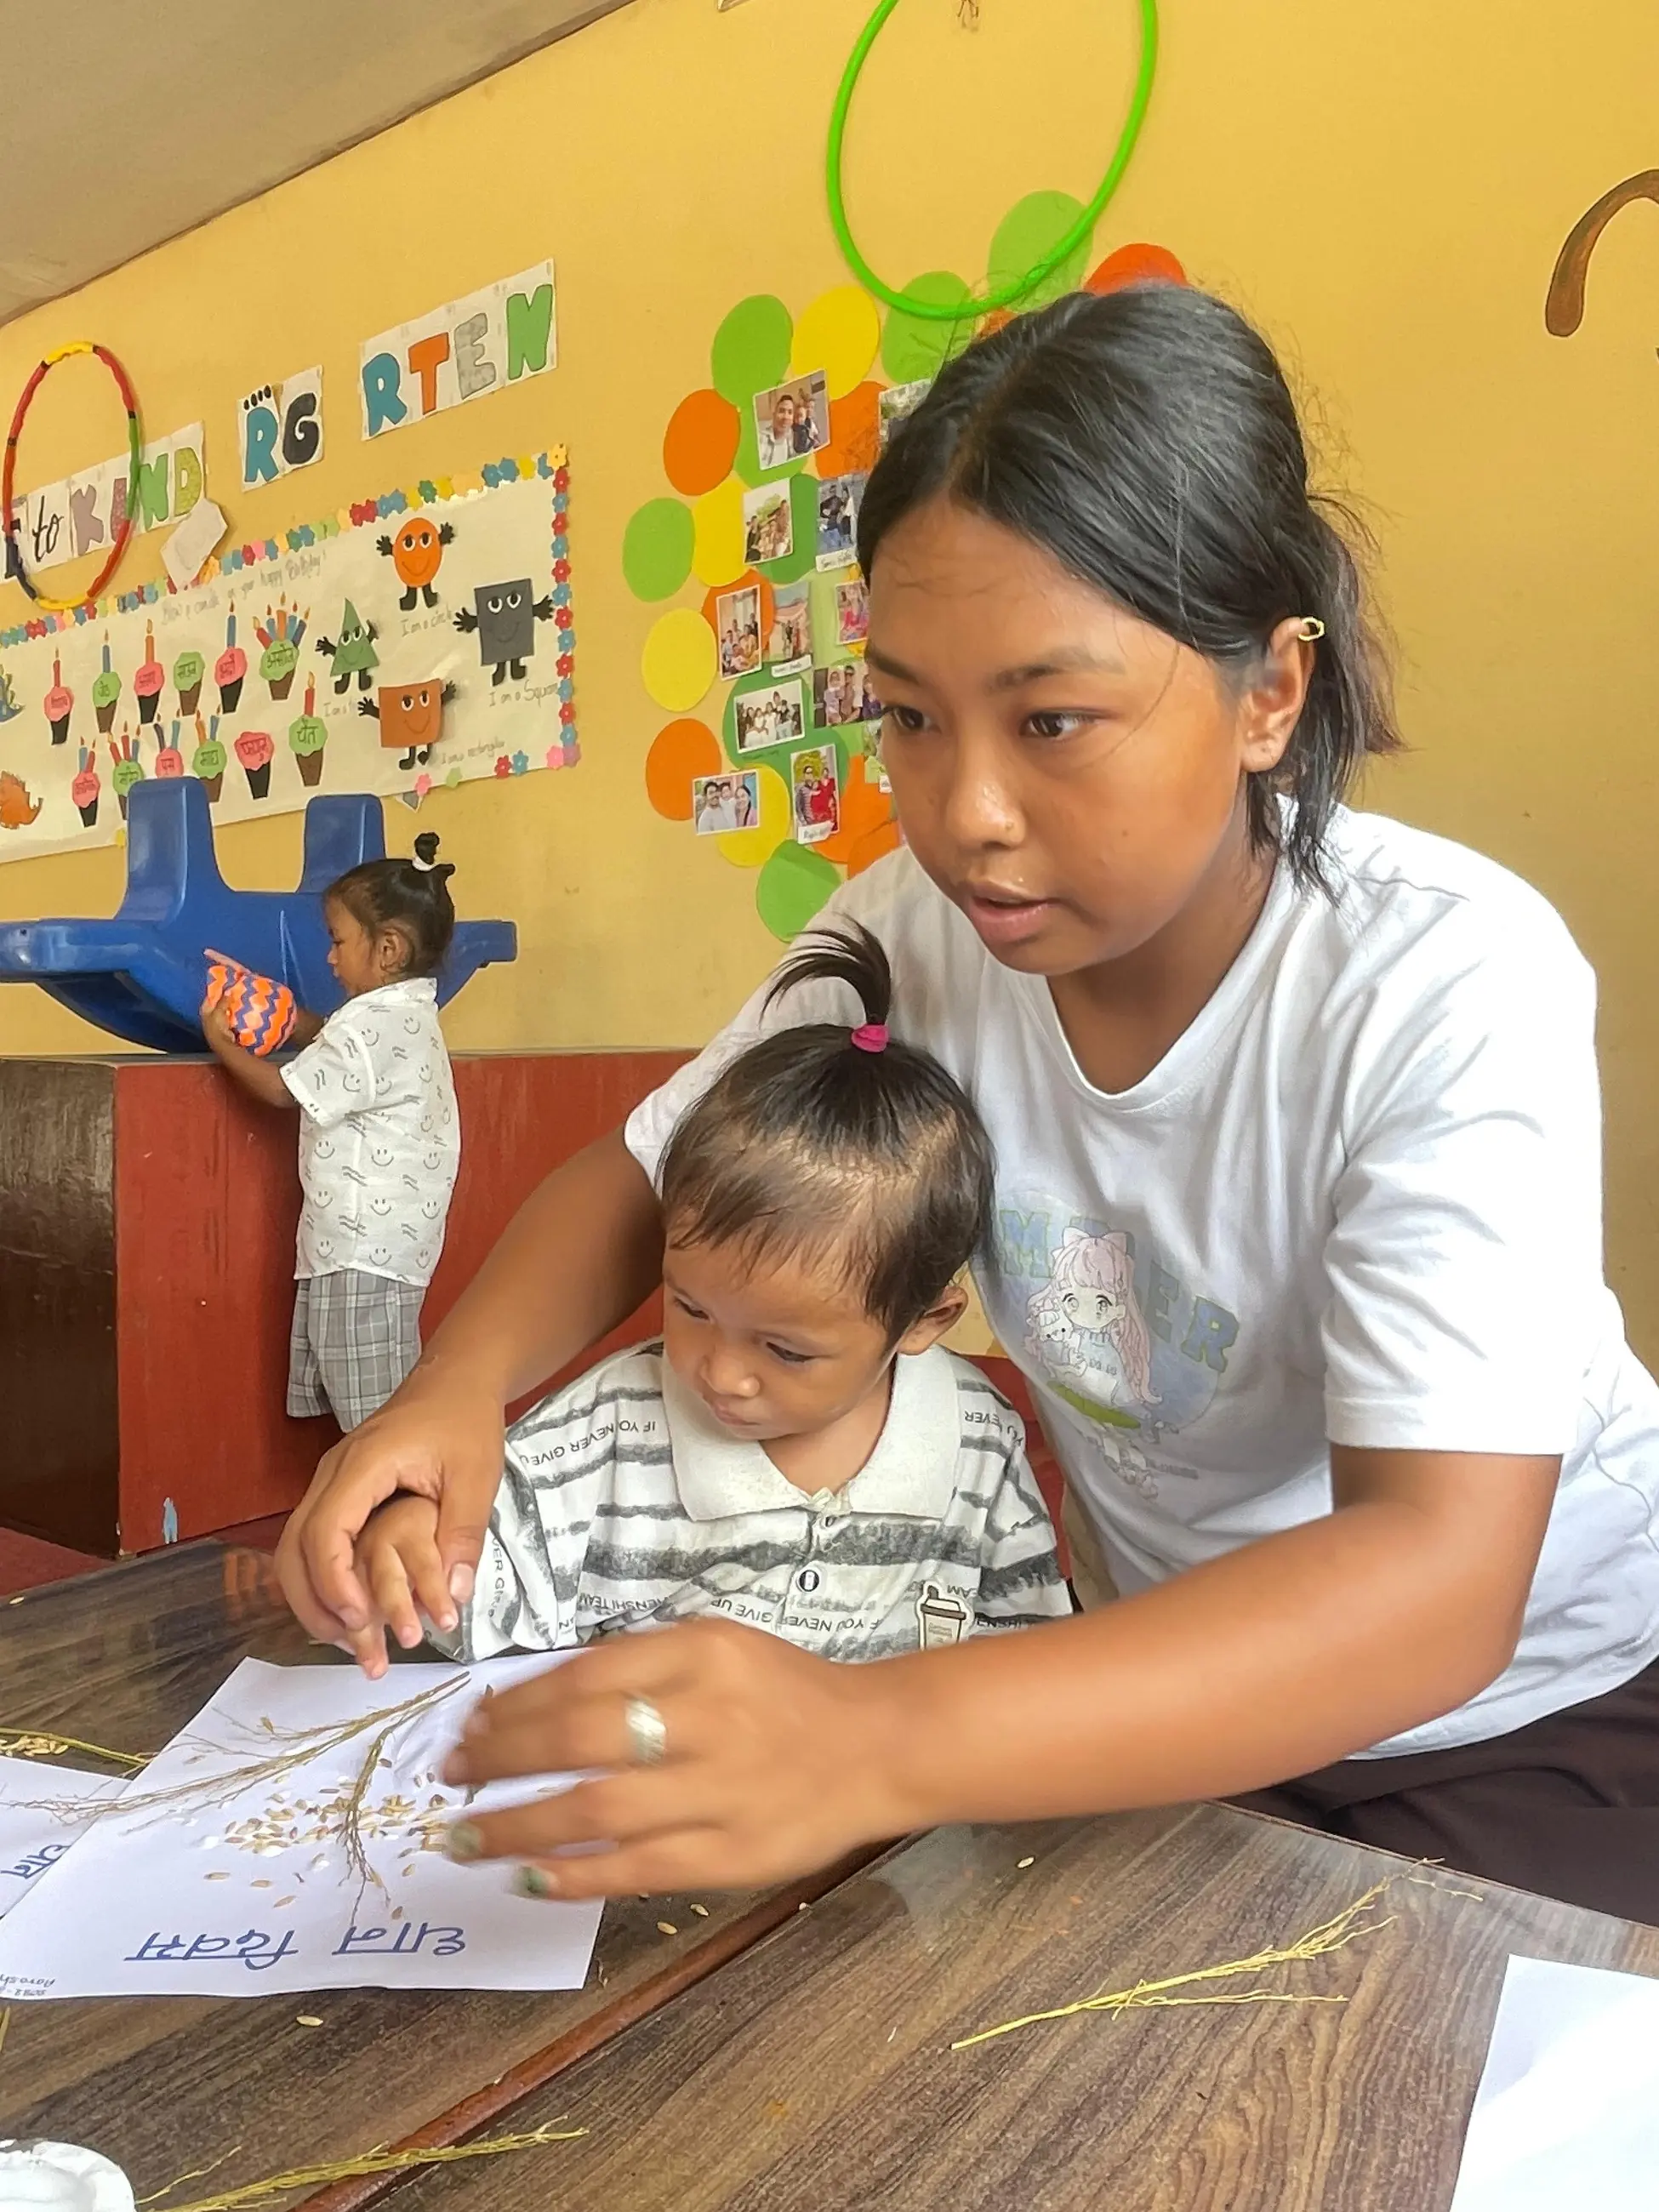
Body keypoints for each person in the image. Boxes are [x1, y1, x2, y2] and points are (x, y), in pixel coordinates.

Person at [276, 284, 1659, 1925]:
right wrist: (453, 1395)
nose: (967, 811)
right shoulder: (909, 935)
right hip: (1152, 1702)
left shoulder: (1440, 977)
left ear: (1270, 696)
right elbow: (647, 1177)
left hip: (1534, 1717)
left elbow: (1438, 1579)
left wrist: (869, 1739)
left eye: (1052, 719)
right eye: (911, 718)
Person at [351, 925, 1069, 1696]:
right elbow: (481, 1589)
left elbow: (1025, 1667)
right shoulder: (610, 1429)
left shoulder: (978, 1443)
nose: (721, 1373)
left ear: (923, 1320)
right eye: (690, 1307)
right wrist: (413, 1549)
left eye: (785, 1350)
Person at [203, 830, 460, 1433]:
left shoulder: (368, 1026)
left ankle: (393, 1490)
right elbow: (337, 1048)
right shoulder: (403, 1015)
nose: (329, 958)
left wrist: (219, 1041)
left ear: (388, 948)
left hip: (362, 1249)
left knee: (375, 1416)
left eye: (338, 941)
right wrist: (292, 1020)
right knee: (369, 1388)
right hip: (381, 1247)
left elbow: (280, 1090)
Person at [758, 392, 801, 471]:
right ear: (774, 414)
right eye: (781, 411)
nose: (785, 417)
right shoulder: (760, 438)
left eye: (790, 412)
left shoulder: (792, 436)